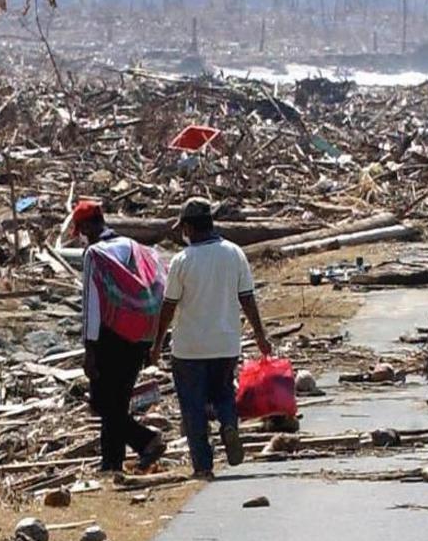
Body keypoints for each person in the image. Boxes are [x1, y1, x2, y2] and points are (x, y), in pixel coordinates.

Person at [154, 197, 273, 478]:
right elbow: (247, 298)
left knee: (192, 405)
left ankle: (203, 465)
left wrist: (158, 343)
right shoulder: (234, 253)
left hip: (189, 347)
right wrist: (260, 335)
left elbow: (168, 305)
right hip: (225, 342)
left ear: (189, 228)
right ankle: (229, 423)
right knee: (223, 392)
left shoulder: (182, 261)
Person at [65, 199, 168, 474]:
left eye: (82, 230)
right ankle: (112, 464)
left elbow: (92, 304)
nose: (83, 236)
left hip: (109, 337)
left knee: (103, 404)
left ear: (87, 226)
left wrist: (90, 349)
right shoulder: (136, 247)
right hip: (140, 335)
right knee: (118, 401)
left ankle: (146, 440)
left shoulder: (95, 254)